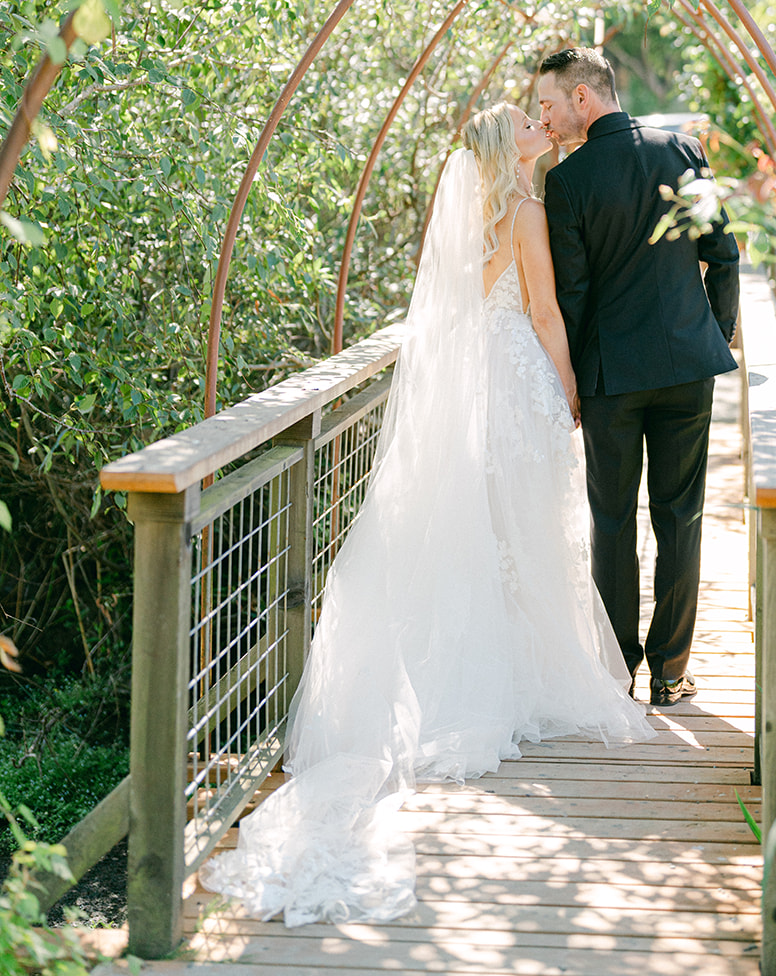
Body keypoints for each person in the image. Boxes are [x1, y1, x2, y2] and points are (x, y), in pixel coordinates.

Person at [200, 103, 652, 927]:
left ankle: (477, 670)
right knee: (521, 529)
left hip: (469, 383)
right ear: (503, 149)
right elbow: (545, 311)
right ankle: (520, 675)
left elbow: (452, 315)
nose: (536, 124)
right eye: (523, 121)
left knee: (480, 531)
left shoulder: (473, 216)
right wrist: (568, 389)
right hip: (513, 379)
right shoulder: (524, 210)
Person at [537, 48, 741, 708]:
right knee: (680, 515)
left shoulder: (567, 183)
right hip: (687, 366)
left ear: (584, 99)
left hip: (609, 378)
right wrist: (715, 332)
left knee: (613, 520)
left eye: (550, 102)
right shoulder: (681, 153)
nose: (547, 116)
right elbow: (723, 254)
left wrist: (566, 380)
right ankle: (670, 672)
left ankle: (616, 666)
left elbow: (570, 295)